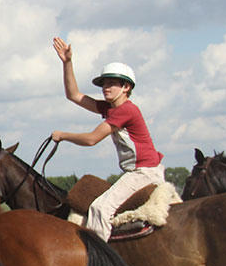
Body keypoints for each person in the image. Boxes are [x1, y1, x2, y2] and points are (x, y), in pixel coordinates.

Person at [49, 37, 164, 241]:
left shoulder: (125, 110)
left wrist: (63, 135)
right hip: (137, 172)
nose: (105, 88)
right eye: (104, 84)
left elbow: (92, 139)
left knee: (100, 209)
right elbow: (74, 95)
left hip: (143, 173)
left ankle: (98, 264)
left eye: (111, 83)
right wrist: (67, 63)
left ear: (126, 87)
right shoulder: (111, 108)